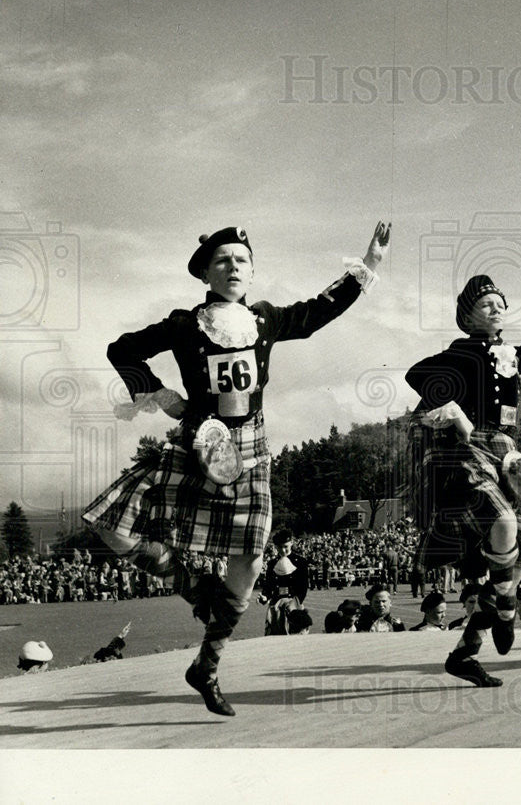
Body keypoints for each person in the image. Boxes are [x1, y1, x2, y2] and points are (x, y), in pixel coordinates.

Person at [82, 221, 389, 715]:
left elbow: (316, 313)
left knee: (251, 554)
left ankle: (207, 664)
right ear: (205, 273)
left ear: (252, 271)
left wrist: (368, 264)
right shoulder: (186, 324)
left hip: (249, 447)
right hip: (195, 441)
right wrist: (161, 396)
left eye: (242, 260)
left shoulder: (265, 320)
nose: (233, 267)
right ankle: (191, 582)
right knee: (111, 527)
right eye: (222, 260)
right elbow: (121, 349)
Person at [406, 269, 521, 686]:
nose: (497, 309)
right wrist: (455, 414)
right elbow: (417, 374)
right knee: (503, 524)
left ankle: (466, 652)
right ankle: (505, 610)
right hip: (469, 448)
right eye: (487, 305)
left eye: (501, 304)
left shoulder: (512, 356)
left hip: (509, 452)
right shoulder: (459, 352)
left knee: (518, 561)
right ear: (468, 316)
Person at [258, 531, 309, 636]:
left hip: (294, 606)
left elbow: (303, 588)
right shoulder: (272, 564)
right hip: (276, 607)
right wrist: (264, 597)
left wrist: (294, 604)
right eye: (279, 547)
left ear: (291, 543)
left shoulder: (300, 562)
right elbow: (268, 586)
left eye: (285, 546)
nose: (282, 550)